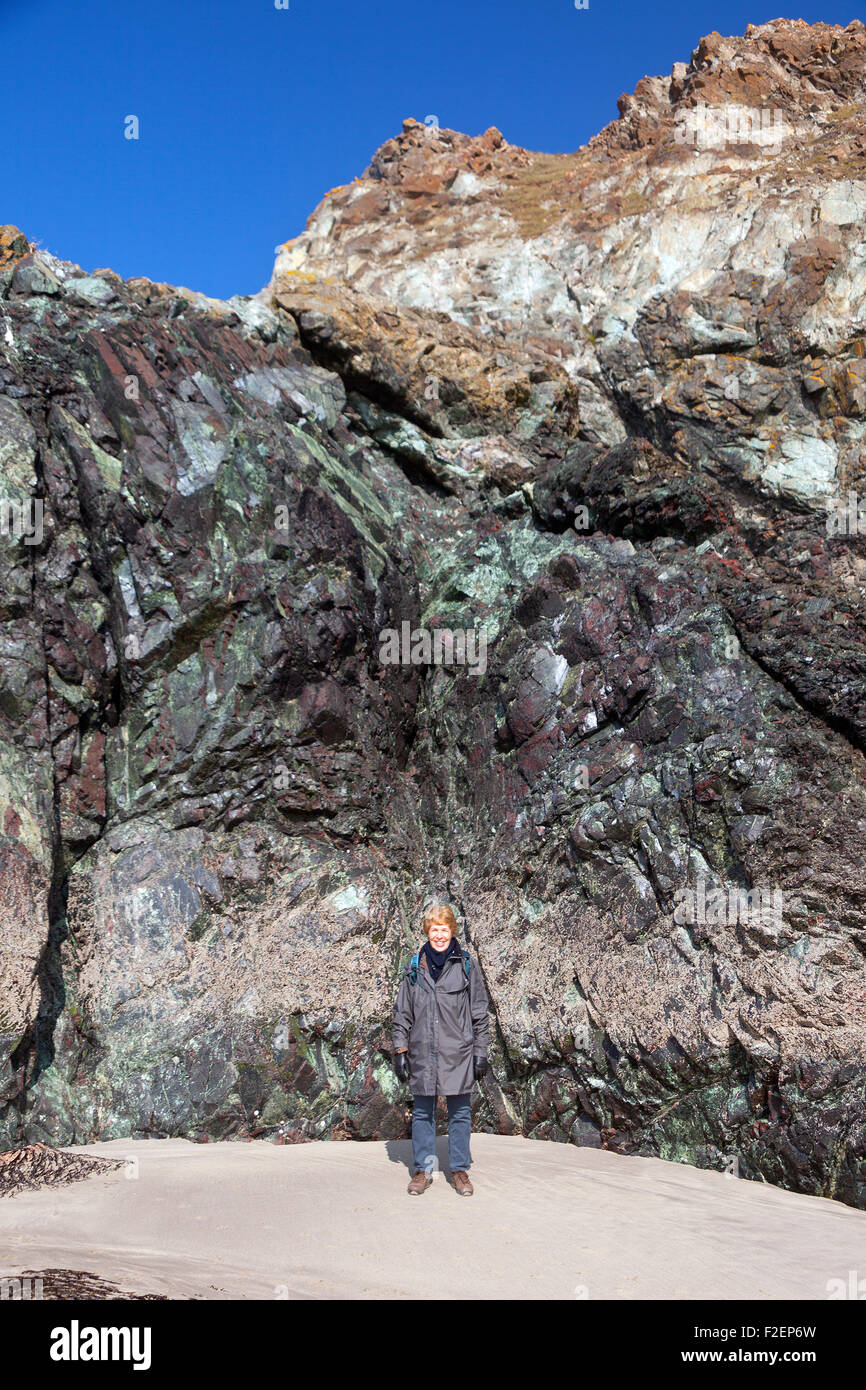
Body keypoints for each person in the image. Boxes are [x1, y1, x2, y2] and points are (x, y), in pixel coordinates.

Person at [392, 903, 490, 1196]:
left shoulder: (466, 965)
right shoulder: (413, 967)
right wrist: (400, 1050)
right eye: (434, 930)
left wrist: (480, 1051)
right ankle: (424, 1170)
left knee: (460, 1112)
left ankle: (459, 1171)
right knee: (423, 1113)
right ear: (427, 931)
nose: (439, 936)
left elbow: (479, 1012)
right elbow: (402, 1014)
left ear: (452, 931)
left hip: (458, 1052)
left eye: (444, 930)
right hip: (423, 1052)